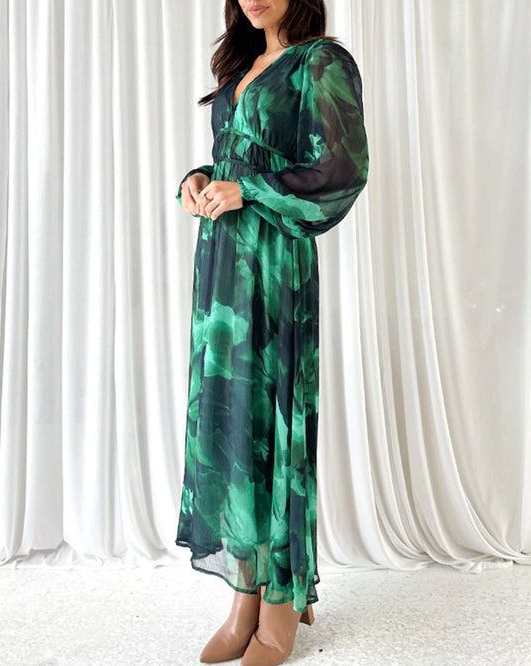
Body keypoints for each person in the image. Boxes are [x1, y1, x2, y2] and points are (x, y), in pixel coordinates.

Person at [175, 1, 368, 663]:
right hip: (222, 266)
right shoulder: (239, 70)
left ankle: (281, 599)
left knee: (271, 422)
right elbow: (231, 160)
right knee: (231, 422)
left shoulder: (320, 62)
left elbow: (339, 169)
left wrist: (249, 191)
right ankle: (244, 590)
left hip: (275, 263)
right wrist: (200, 180)